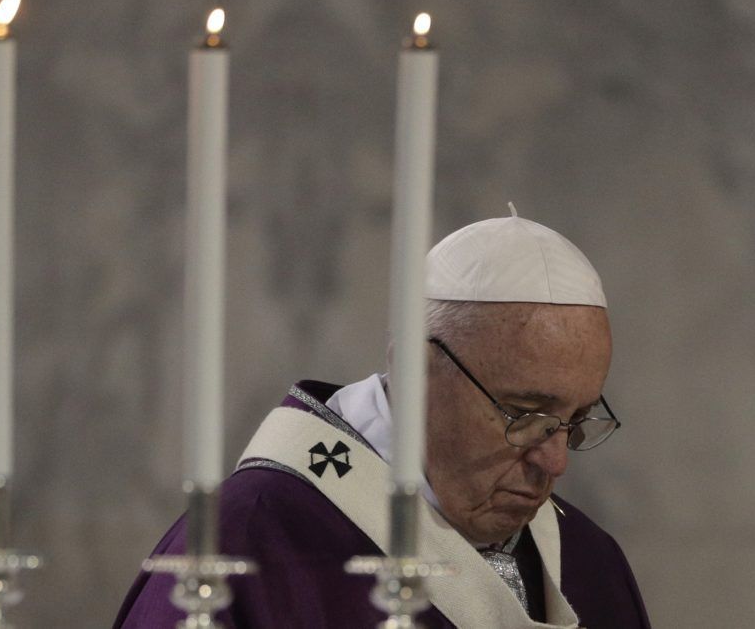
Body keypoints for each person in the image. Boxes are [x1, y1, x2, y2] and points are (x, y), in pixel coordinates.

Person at [114, 211, 651, 628]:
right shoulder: (250, 543)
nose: (554, 462)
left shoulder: (588, 563)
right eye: (524, 413)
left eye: (575, 420)